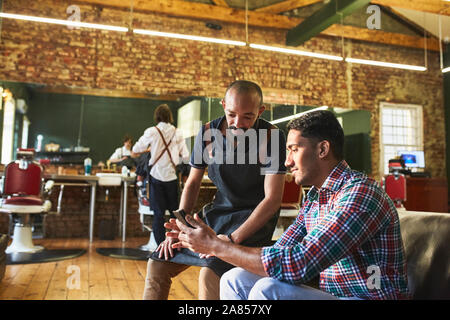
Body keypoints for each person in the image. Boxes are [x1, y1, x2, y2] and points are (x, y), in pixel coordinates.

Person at [171, 110, 411, 300]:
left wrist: (216, 246)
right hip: (335, 295)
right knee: (234, 279)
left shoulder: (360, 194)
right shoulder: (315, 198)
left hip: (368, 297)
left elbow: (300, 263)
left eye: (294, 150)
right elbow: (282, 250)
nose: (286, 162)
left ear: (322, 149)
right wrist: (223, 242)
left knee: (267, 290)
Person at [142, 80, 287, 300]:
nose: (238, 123)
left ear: (261, 111)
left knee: (210, 273)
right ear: (223, 105)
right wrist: (180, 228)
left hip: (251, 223)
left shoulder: (271, 137)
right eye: (231, 114)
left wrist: (230, 240)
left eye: (248, 116)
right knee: (158, 261)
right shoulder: (209, 132)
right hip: (217, 216)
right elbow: (192, 183)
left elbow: (272, 199)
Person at [132, 104, 189, 246]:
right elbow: (186, 156)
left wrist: (152, 148)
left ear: (157, 116)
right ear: (170, 117)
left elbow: (136, 149)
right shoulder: (178, 132)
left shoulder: (152, 131)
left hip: (156, 177)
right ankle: (176, 245)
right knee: (176, 214)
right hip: (172, 177)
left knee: (158, 215)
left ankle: (160, 248)